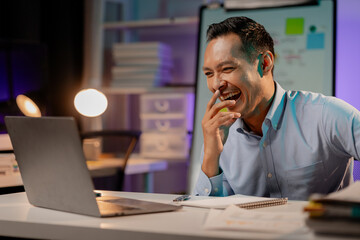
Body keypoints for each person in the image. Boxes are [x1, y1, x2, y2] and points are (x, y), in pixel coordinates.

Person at [194, 16, 360, 200]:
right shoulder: (219, 136)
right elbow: (206, 213)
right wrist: (211, 154)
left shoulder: (326, 115)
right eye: (209, 73)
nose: (216, 84)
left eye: (227, 69)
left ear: (265, 63)